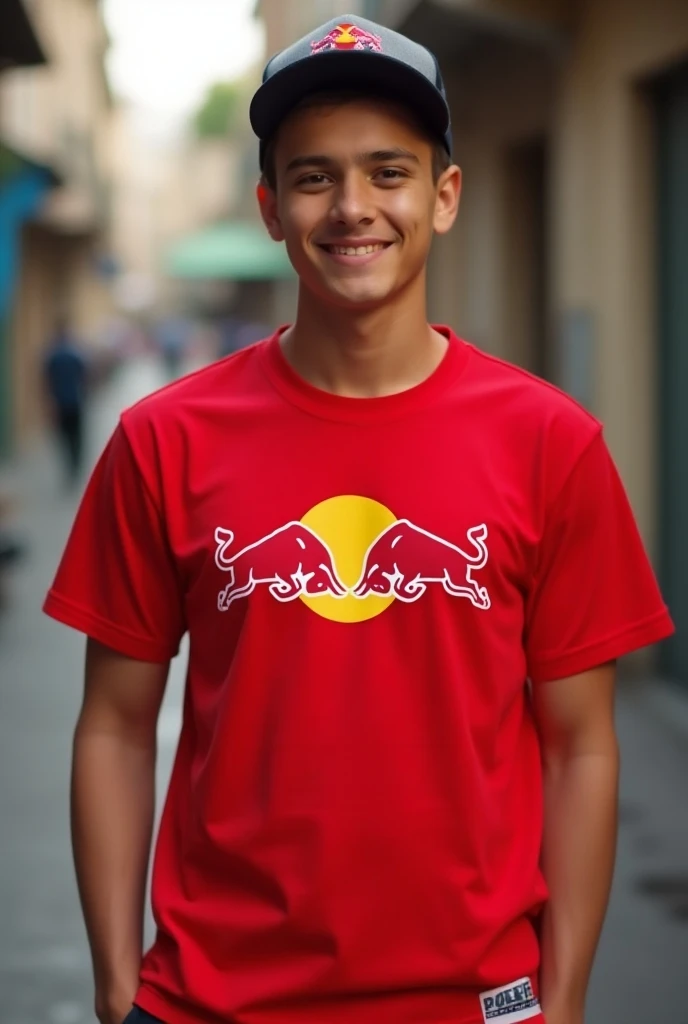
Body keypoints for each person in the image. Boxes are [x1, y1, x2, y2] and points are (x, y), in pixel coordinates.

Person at [43, 14, 674, 1024]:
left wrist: (561, 999)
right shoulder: (164, 441)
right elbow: (115, 725)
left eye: (388, 171)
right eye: (312, 176)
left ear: (444, 193)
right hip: (212, 1002)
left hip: (476, 1002)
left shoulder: (550, 443)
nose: (352, 208)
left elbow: (581, 746)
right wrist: (120, 986)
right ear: (269, 207)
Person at [43, 318, 88, 485]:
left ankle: (70, 466)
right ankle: (76, 464)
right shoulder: (75, 353)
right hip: (76, 400)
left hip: (60, 401)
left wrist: (49, 401)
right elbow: (85, 375)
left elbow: (46, 380)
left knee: (64, 436)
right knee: (77, 435)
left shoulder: (51, 354)